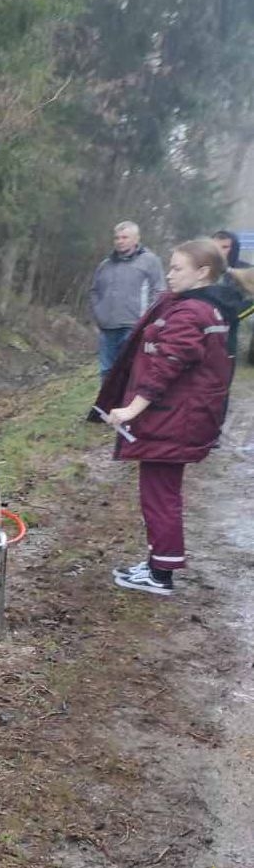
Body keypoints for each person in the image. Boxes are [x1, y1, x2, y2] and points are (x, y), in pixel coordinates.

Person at [98, 238, 254, 595]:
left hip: (173, 420)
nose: (168, 275)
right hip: (184, 417)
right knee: (161, 492)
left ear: (202, 273)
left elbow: (166, 367)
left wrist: (131, 409)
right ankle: (158, 563)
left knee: (160, 495)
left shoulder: (192, 313)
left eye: (177, 268)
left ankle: (160, 574)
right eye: (169, 267)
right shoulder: (206, 307)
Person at [90, 221, 165, 377]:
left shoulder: (150, 261)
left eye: (125, 237)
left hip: (134, 327)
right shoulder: (105, 265)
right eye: (117, 238)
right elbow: (95, 291)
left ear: (136, 239)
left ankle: (128, 401)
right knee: (107, 371)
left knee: (131, 371)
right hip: (107, 328)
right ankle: (107, 401)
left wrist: (149, 321)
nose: (120, 241)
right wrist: (99, 315)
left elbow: (159, 291)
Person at [210, 230, 253, 363]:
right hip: (202, 329)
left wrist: (236, 315)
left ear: (234, 249)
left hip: (228, 333)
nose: (219, 251)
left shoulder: (245, 271)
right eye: (215, 247)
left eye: (225, 247)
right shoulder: (203, 269)